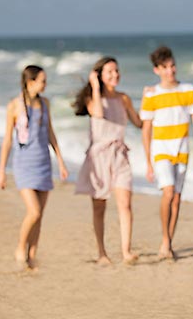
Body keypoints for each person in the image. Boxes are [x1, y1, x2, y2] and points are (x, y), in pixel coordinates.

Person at [0, 65, 68, 270]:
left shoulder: (45, 103)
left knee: (40, 214)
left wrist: (61, 161)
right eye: (42, 80)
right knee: (34, 211)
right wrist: (2, 171)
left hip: (44, 162)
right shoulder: (14, 105)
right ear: (30, 82)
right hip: (24, 164)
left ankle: (32, 254)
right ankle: (20, 247)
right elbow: (7, 140)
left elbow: (50, 133)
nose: (45, 84)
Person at [73, 57, 143, 265]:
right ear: (100, 76)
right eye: (110, 72)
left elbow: (139, 123)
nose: (115, 75)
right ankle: (102, 252)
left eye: (117, 71)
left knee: (125, 204)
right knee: (99, 207)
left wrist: (151, 103)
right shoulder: (92, 99)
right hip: (99, 158)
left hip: (119, 154)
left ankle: (126, 251)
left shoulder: (124, 98)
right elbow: (99, 113)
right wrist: (95, 87)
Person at [140, 45, 193, 260]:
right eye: (165, 67)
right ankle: (165, 241)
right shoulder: (151, 94)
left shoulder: (188, 90)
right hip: (161, 151)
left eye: (173, 65)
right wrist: (148, 161)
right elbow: (146, 129)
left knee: (177, 199)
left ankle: (168, 241)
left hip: (182, 150)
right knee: (168, 193)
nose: (171, 71)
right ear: (156, 70)